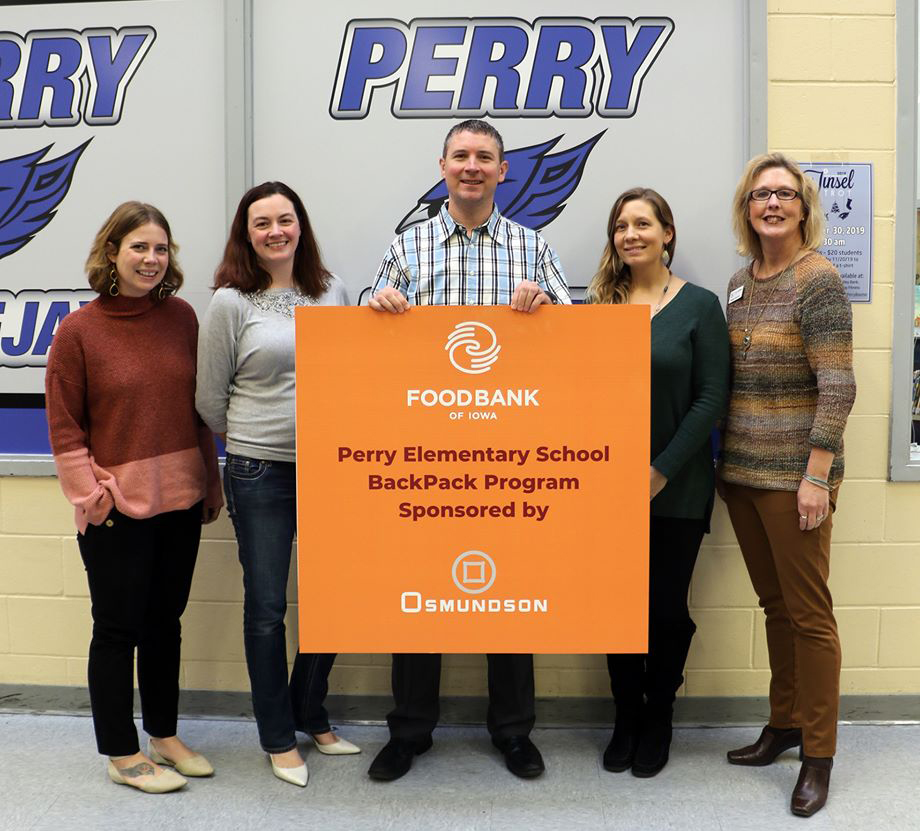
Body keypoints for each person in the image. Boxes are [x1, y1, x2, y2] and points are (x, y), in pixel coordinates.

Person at [367, 119, 570, 782]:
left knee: (510, 597)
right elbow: (365, 329)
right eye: (461, 155)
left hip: (510, 462)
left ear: (503, 170)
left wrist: (547, 308)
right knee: (418, 596)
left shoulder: (533, 247)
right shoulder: (409, 246)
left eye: (485, 156)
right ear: (443, 165)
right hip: (424, 461)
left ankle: (514, 730)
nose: (472, 166)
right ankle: (410, 730)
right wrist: (381, 303)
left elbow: (577, 346)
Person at [45, 202, 222, 793]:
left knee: (165, 623)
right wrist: (91, 496)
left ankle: (164, 736)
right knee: (117, 628)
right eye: (139, 247)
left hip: (180, 499)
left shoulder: (182, 319)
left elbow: (198, 411)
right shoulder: (79, 332)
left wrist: (210, 479)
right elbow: (65, 428)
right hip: (116, 509)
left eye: (161, 249)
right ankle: (121, 752)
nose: (151, 259)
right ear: (112, 254)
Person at [196, 181, 359, 788]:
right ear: (246, 233)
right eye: (261, 223)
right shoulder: (231, 301)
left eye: (284, 219)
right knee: (266, 607)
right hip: (258, 469)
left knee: (332, 600)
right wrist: (252, 442)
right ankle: (276, 735)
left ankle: (310, 711)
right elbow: (210, 397)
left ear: (300, 225)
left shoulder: (331, 289)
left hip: (331, 467)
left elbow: (349, 372)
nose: (275, 232)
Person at [719, 154, 856, 817]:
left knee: (810, 617)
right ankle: (784, 723)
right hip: (741, 476)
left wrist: (816, 475)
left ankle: (818, 754)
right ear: (747, 209)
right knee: (776, 608)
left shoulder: (817, 279)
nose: (771, 202)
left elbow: (838, 384)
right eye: (759, 194)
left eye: (784, 193)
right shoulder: (740, 282)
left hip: (793, 481)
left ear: (803, 206)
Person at [586, 188, 729, 777]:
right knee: (618, 609)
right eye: (622, 225)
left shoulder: (698, 306)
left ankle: (659, 716)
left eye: (643, 224)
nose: (631, 235)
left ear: (667, 233)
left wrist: (660, 468)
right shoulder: (601, 305)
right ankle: (625, 717)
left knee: (666, 610)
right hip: (608, 490)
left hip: (680, 486)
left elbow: (711, 397)